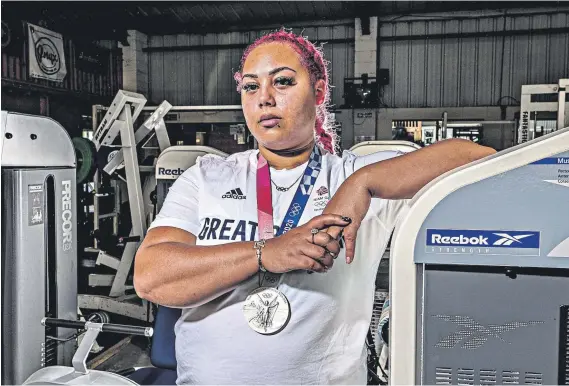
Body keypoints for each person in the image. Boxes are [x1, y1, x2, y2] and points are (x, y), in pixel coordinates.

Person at [134, 30, 495, 384]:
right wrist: (265, 253)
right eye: (250, 86)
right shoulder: (207, 176)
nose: (265, 98)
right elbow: (152, 278)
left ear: (319, 91)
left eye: (283, 82)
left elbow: (478, 157)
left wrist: (363, 184)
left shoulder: (350, 173)